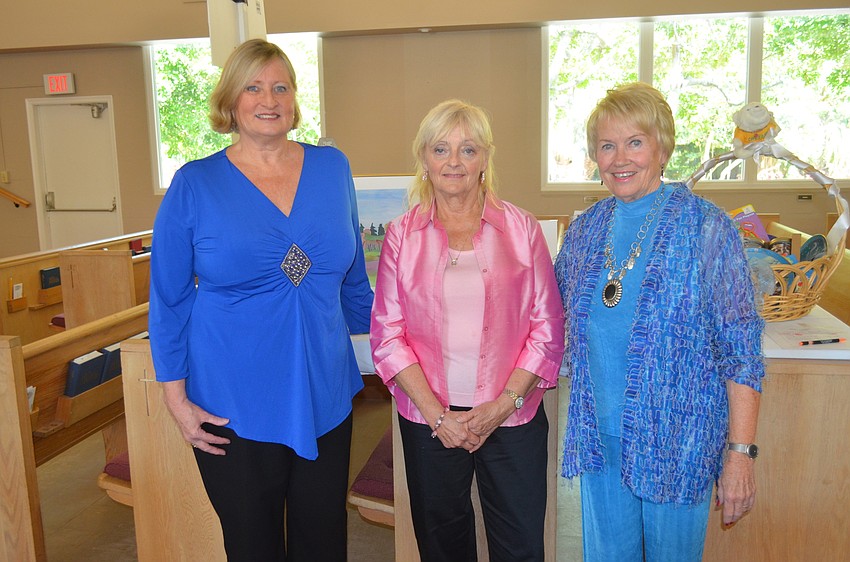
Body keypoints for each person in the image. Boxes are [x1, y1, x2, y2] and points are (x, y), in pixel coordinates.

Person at [149, 39, 373, 562]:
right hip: (232, 402)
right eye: (253, 86)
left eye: (280, 86)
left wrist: (400, 354)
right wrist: (175, 399)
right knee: (253, 545)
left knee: (323, 541)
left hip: (325, 390)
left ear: (294, 100)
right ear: (231, 101)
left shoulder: (332, 168)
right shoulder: (194, 184)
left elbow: (355, 283)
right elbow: (169, 301)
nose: (268, 98)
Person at [554, 82, 765, 561]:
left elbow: (742, 350)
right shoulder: (586, 231)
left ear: (663, 148)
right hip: (600, 441)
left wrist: (740, 453)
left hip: (680, 440)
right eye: (607, 145)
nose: (619, 158)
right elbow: (545, 313)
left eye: (635, 142)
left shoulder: (707, 228)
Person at [370, 99, 565, 562]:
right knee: (441, 546)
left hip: (511, 416)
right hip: (429, 421)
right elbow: (387, 335)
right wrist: (438, 415)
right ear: (424, 159)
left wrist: (502, 405)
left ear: (485, 158)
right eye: (441, 149)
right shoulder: (401, 235)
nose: (454, 162)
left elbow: (548, 327)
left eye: (468, 149)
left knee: (520, 547)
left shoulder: (521, 229)